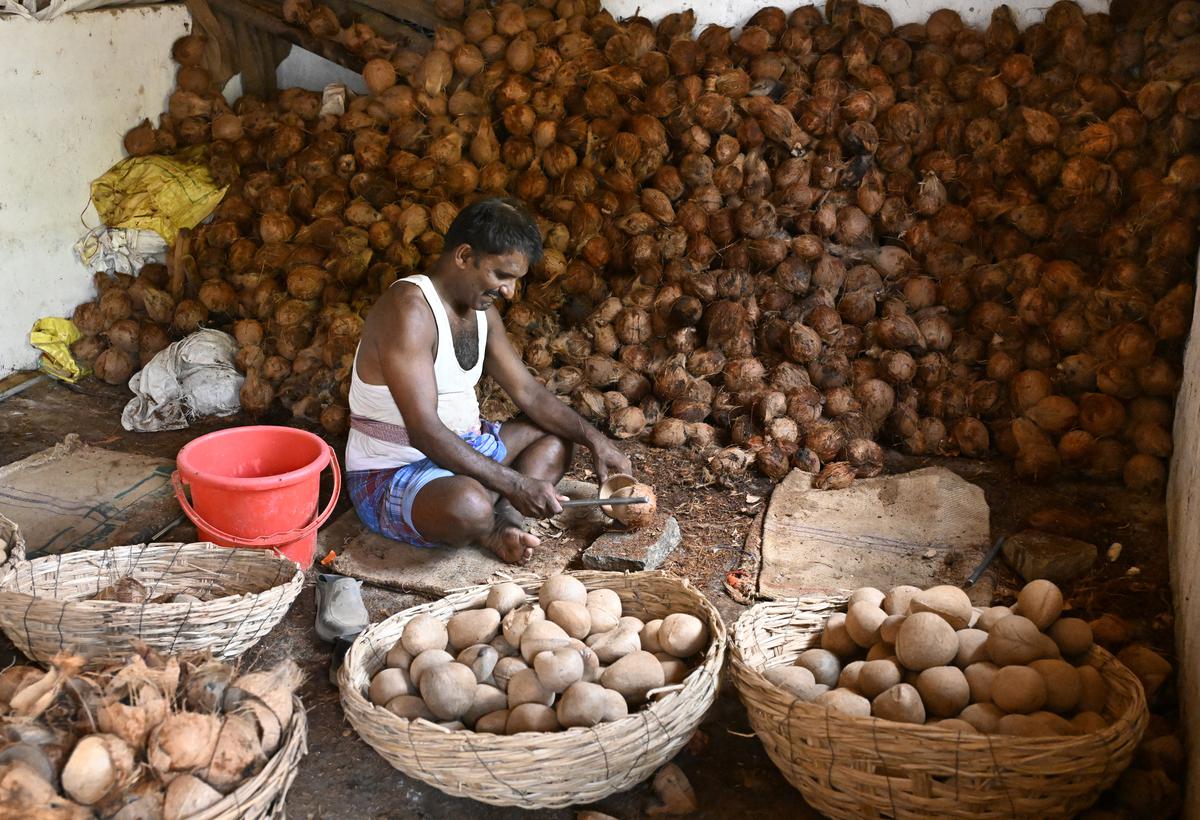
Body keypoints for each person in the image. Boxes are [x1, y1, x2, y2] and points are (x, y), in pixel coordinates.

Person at [345, 197, 631, 564]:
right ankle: (492, 525)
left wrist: (596, 440)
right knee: (469, 506)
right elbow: (424, 430)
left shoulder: (482, 313)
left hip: (465, 448)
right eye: (501, 276)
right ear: (464, 256)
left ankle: (509, 518)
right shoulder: (409, 308)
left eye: (514, 280)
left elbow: (528, 393)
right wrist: (514, 483)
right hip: (395, 470)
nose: (509, 291)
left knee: (560, 435)